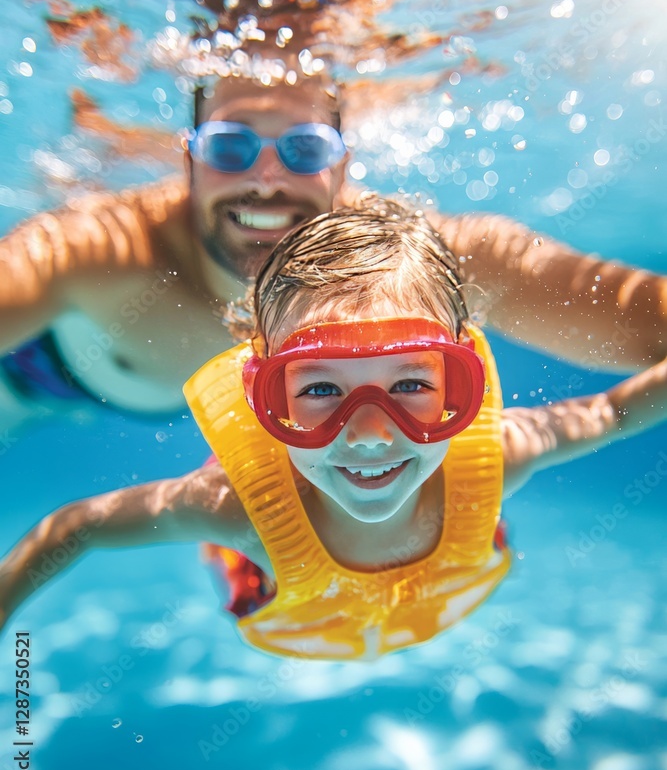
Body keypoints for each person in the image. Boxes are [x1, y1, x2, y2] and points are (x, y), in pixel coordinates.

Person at [1, 203, 665, 659]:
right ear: (262, 396)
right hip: (279, 578)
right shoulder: (237, 513)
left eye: (411, 386)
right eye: (320, 390)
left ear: (464, 387)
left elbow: (610, 412)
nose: (372, 434)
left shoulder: (495, 457)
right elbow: (79, 527)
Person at [1, 69, 666, 433]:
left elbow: (645, 325)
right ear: (190, 160)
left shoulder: (409, 255)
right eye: (230, 147)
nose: (266, 179)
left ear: (344, 165)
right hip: (51, 376)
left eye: (304, 149)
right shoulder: (95, 247)